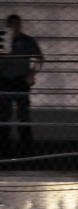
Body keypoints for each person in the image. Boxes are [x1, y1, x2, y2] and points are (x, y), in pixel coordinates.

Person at [0, 15, 43, 151]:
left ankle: (26, 146)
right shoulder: (2, 41)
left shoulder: (27, 41)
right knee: (3, 113)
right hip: (4, 80)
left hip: (20, 80)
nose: (14, 27)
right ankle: (4, 145)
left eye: (16, 24)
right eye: (11, 25)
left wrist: (31, 74)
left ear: (20, 25)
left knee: (23, 113)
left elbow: (39, 59)